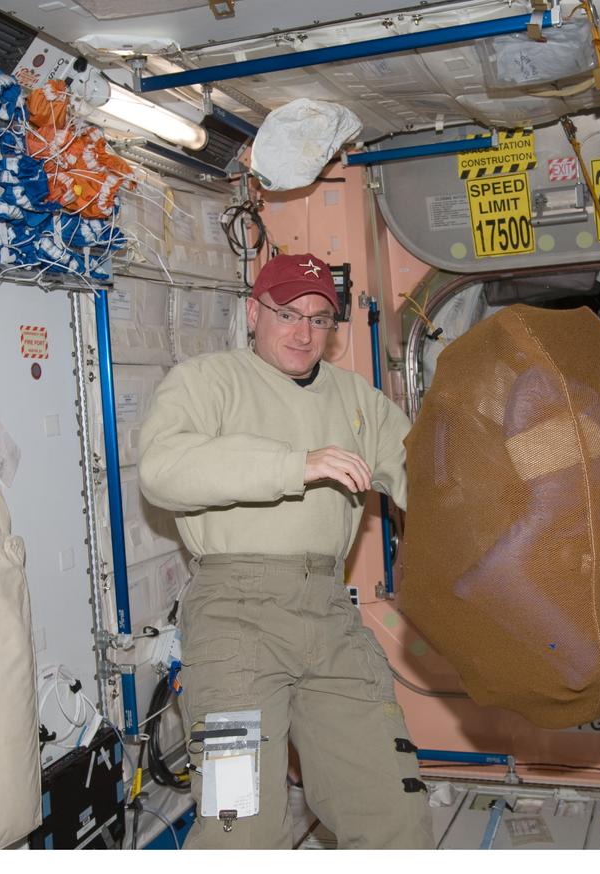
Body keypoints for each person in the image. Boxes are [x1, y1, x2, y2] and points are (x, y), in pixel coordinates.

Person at [137, 253, 433, 849]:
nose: (304, 333)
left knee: (392, 812)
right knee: (236, 826)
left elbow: (421, 474)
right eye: (288, 314)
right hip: (232, 618)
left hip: (327, 612)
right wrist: (296, 465)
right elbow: (162, 471)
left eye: (320, 319)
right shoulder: (206, 382)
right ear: (254, 314)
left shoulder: (357, 399)